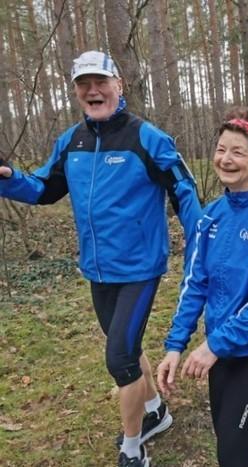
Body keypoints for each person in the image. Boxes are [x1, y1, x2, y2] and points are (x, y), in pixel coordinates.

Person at [0, 51, 201, 466]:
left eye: (100, 82)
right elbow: (44, 189)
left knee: (120, 359)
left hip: (140, 268)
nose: (93, 91)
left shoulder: (147, 138)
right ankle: (154, 412)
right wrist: (9, 179)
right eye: (83, 84)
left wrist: (202, 247)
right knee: (125, 344)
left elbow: (184, 191)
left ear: (118, 85)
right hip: (97, 268)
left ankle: (133, 447)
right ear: (76, 91)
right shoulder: (71, 141)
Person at [157, 107, 248, 467]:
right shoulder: (210, 217)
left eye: (238, 152)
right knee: (233, 434)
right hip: (224, 346)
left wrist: (212, 346)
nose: (226, 159)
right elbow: (195, 284)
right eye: (221, 149)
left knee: (233, 453)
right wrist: (175, 345)